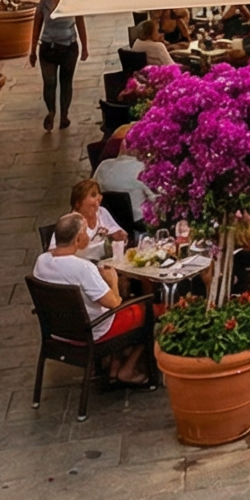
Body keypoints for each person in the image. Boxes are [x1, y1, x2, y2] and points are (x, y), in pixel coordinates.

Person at [35, 213, 152, 384]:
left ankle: (115, 364)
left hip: (58, 331)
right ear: (78, 238)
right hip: (93, 331)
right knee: (148, 310)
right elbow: (114, 303)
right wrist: (113, 280)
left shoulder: (41, 261)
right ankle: (128, 369)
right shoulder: (83, 268)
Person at [35, 0, 87, 132]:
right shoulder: (44, 4)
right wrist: (31, 50)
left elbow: (80, 23)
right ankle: (51, 111)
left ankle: (64, 114)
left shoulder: (72, 1)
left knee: (66, 82)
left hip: (69, 47)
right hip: (48, 47)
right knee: (49, 82)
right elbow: (36, 26)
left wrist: (85, 46)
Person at [94, 125, 152, 223]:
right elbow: (158, 200)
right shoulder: (142, 169)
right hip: (140, 225)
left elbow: (91, 192)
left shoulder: (103, 166)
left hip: (108, 223)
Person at [68, 178, 128, 254]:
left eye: (99, 194)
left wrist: (120, 236)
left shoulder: (102, 212)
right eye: (93, 195)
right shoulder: (70, 222)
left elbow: (118, 233)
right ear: (78, 203)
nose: (100, 198)